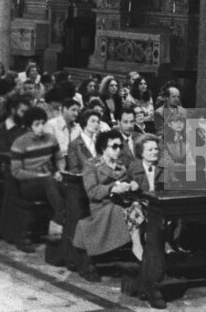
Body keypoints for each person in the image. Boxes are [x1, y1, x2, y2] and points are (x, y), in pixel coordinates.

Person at [73, 129, 146, 279]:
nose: (118, 150)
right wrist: (112, 188)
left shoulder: (120, 165)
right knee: (131, 210)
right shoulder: (92, 165)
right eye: (114, 147)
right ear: (102, 148)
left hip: (121, 203)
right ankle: (137, 249)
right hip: (102, 206)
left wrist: (131, 184)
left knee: (138, 208)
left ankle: (138, 248)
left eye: (120, 146)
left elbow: (125, 183)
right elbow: (92, 191)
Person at [9, 107, 66, 224]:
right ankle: (62, 216)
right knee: (47, 179)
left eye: (43, 123)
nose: (41, 127)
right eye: (37, 124)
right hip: (29, 184)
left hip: (50, 179)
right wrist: (39, 175)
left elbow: (59, 158)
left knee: (67, 182)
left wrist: (60, 170)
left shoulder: (51, 138)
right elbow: (16, 172)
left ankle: (71, 218)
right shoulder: (20, 142)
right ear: (29, 126)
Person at [46, 98, 82, 165]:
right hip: (56, 160)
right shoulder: (51, 124)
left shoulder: (78, 127)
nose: (76, 114)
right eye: (73, 110)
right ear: (65, 109)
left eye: (78, 111)